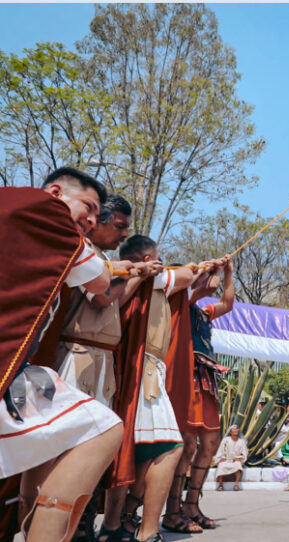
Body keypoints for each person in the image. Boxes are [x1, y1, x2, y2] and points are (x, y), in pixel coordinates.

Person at [0, 167, 125, 542]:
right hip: (15, 367)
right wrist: (122, 271)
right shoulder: (50, 215)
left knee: (60, 432)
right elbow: (101, 283)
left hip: (19, 366)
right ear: (55, 192)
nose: (92, 220)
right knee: (103, 427)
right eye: (88, 207)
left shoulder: (15, 211)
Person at [49, 194, 138, 542]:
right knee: (72, 441)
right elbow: (101, 297)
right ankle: (61, 528)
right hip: (77, 353)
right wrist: (131, 273)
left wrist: (131, 275)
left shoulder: (104, 260)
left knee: (96, 444)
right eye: (118, 226)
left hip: (102, 358)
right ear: (98, 222)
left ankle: (83, 525)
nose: (123, 235)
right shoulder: (86, 253)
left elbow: (113, 301)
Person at [110, 235, 194, 542]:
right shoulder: (150, 279)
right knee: (170, 446)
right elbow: (186, 276)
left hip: (136, 368)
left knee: (135, 451)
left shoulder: (123, 278)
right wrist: (193, 268)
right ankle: (147, 531)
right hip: (143, 371)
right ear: (149, 260)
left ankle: (115, 524)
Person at [163, 255, 234, 532]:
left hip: (207, 378)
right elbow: (191, 296)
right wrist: (202, 279)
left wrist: (228, 273)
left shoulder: (203, 312)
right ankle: (172, 510)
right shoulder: (177, 303)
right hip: (187, 377)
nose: (206, 282)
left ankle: (192, 505)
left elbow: (227, 304)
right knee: (187, 445)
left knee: (210, 442)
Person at [214, 425, 248, 491]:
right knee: (221, 465)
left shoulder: (241, 441)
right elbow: (221, 450)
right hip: (226, 460)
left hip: (235, 460)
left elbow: (244, 452)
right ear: (230, 432)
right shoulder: (226, 440)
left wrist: (240, 458)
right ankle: (220, 485)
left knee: (238, 465)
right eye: (234, 429)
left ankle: (236, 485)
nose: (236, 430)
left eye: (237, 429)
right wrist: (222, 457)